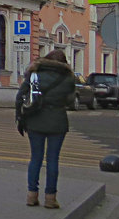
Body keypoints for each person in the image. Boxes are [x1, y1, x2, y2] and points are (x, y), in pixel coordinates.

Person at [16, 49, 75, 209]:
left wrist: (19, 117)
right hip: (58, 122)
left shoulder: (34, 74)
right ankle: (50, 198)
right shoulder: (68, 78)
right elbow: (70, 101)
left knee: (35, 158)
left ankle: (31, 195)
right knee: (53, 160)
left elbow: (20, 96)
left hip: (35, 121)